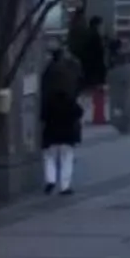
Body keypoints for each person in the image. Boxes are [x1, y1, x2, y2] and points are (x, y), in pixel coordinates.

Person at [38, 41, 85, 194]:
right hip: (68, 131)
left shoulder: (48, 74)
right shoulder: (70, 75)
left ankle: (50, 180)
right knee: (66, 157)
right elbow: (79, 112)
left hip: (51, 131)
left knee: (49, 156)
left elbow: (43, 116)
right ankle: (65, 186)